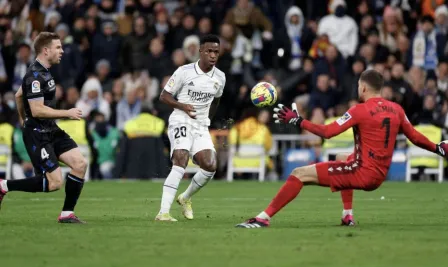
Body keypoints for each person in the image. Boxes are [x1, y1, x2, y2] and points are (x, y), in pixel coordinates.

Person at [236, 69, 448, 228]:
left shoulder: (359, 110)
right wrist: (438, 148)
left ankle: (263, 218)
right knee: (341, 155)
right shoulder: (397, 109)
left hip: (362, 173)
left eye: (358, 86)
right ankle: (347, 215)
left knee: (298, 174)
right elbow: (415, 137)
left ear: (363, 87)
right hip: (379, 173)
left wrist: (299, 121)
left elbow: (328, 132)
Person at [0, 32, 88, 224]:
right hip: (38, 134)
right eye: (58, 47)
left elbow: (18, 95)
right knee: (54, 182)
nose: (62, 51)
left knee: (80, 165)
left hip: (50, 129)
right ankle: (4, 185)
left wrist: (23, 117)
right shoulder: (35, 76)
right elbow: (38, 110)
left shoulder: (43, 72)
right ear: (46, 50)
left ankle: (67, 214)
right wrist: (67, 113)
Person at [156, 34, 226, 221]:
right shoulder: (184, 71)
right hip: (181, 120)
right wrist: (182, 106)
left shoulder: (220, 77)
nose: (213, 55)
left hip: (200, 125)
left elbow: (216, 100)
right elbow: (164, 96)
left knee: (210, 165)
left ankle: (185, 198)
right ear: (200, 51)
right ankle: (163, 212)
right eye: (209, 51)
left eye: (216, 52)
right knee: (181, 157)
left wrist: (207, 120)